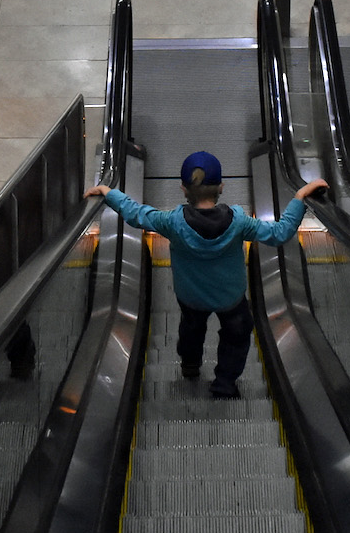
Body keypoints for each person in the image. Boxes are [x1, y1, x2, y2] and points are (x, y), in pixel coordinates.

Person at [88, 152, 326, 399]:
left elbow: (136, 214)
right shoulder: (239, 223)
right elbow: (279, 233)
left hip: (191, 297)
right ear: (221, 187)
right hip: (230, 298)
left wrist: (109, 193)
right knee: (236, 338)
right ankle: (224, 384)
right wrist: (299, 198)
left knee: (191, 330)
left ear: (183, 189)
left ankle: (190, 365)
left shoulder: (171, 222)